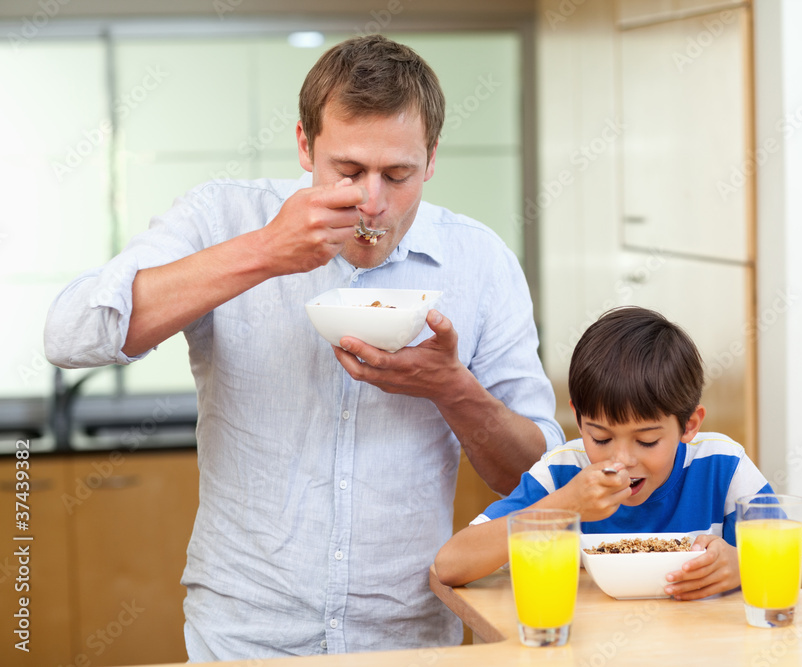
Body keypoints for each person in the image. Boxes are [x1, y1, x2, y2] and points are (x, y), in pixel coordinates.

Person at [44, 35, 564, 659]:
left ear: (430, 159)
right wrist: (263, 252)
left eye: (396, 175)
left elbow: (542, 485)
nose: (372, 202)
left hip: (409, 639)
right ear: (303, 146)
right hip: (243, 636)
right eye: (348, 171)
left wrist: (454, 391)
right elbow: (70, 334)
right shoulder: (225, 217)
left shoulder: (479, 261)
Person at [435, 306, 802, 597]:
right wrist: (564, 506)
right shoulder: (562, 474)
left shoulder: (722, 467)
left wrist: (745, 566)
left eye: (647, 441)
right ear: (578, 417)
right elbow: (450, 566)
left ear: (689, 424)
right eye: (601, 438)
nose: (619, 460)